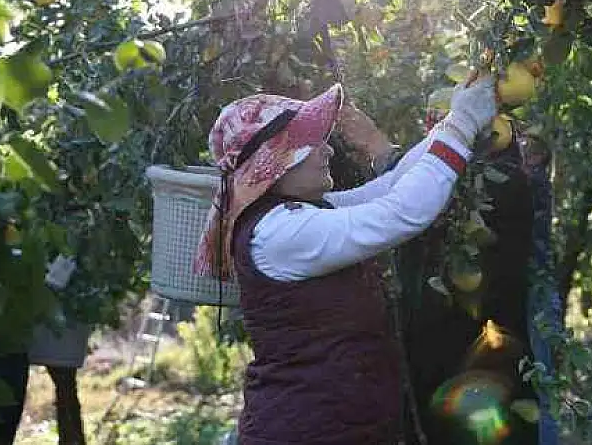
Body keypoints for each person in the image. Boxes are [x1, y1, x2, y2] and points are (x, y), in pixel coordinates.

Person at [193, 77, 497, 445]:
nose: (329, 151)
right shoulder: (279, 233)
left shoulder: (300, 214)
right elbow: (403, 213)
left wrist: (454, 123)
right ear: (276, 163)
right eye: (311, 144)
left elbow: (392, 187)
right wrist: (462, 126)